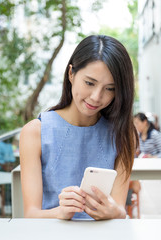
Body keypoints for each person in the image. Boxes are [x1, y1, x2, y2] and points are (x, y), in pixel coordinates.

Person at [19, 35, 138, 220]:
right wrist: (60, 212)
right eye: (89, 83)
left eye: (110, 88)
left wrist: (112, 211)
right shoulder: (35, 132)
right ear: (71, 74)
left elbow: (120, 210)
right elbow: (31, 214)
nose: (96, 97)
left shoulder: (122, 133)